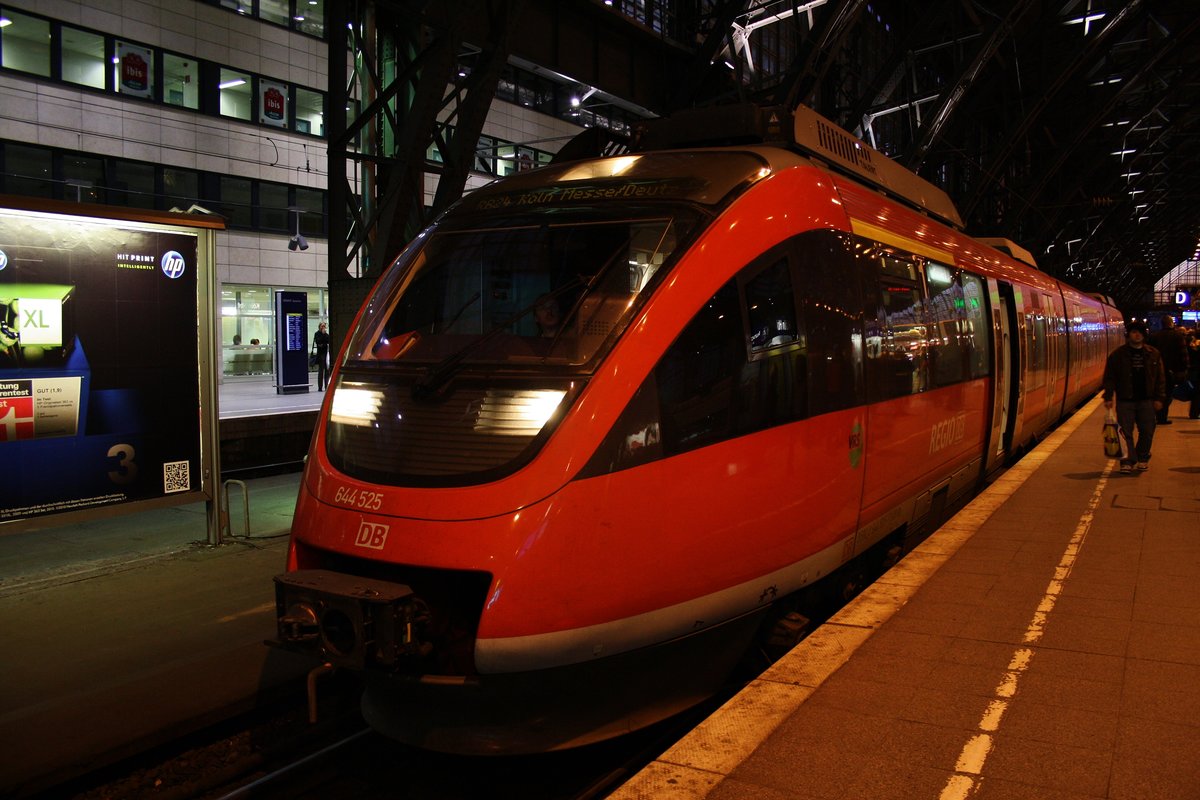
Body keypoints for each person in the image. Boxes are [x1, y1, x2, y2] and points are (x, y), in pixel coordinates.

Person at [1102, 320, 1166, 473]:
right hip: (1126, 400)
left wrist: (1160, 398)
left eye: (1140, 332)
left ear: (1144, 335)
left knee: (1148, 431)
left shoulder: (1154, 354)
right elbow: (1109, 377)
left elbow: (1160, 378)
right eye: (1134, 332)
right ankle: (1127, 461)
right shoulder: (1117, 355)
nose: (1137, 335)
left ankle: (1142, 457)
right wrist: (1108, 396)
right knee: (1125, 432)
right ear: (1128, 335)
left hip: (1147, 400)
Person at [1148, 314, 1189, 425]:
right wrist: (1185, 368)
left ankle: (1156, 414)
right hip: (1172, 370)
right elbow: (1183, 354)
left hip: (1156, 370)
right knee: (1168, 394)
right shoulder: (1178, 336)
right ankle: (1162, 417)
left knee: (1157, 392)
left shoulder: (1154, 336)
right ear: (1172, 323)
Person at [311, 322, 331, 391]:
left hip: (326, 355)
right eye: (322, 326)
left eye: (324, 326)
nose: (323, 328)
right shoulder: (317, 334)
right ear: (319, 327)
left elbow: (327, 342)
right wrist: (323, 336)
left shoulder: (326, 335)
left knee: (327, 371)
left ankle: (326, 386)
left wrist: (324, 338)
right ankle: (320, 387)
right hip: (320, 355)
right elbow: (319, 342)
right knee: (321, 371)